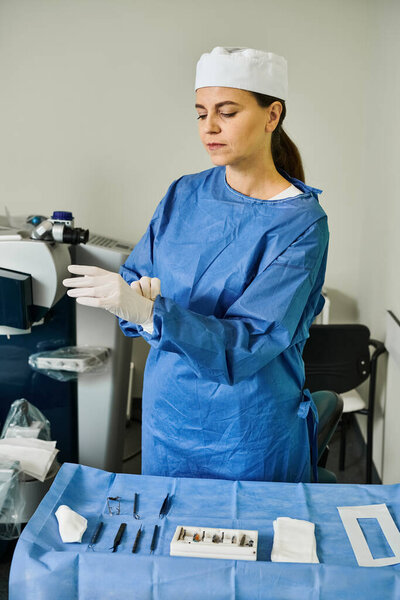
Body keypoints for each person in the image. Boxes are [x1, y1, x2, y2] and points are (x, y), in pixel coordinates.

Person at [63, 46, 329, 483]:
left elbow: (249, 341)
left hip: (247, 431)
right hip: (169, 418)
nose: (209, 127)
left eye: (226, 112)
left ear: (272, 115)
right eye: (200, 113)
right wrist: (135, 305)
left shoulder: (300, 224)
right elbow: (137, 280)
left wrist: (153, 313)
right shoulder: (183, 194)